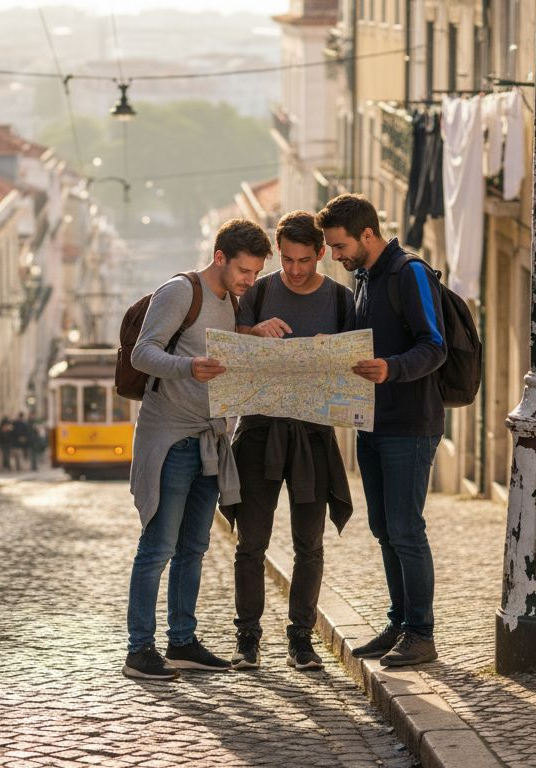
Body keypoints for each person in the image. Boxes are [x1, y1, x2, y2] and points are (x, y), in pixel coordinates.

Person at [123, 218, 270, 681]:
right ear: (220, 257)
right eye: (245, 271)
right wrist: (188, 367)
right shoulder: (180, 292)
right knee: (158, 547)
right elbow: (142, 354)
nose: (250, 281)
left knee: (195, 547)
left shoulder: (233, 302)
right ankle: (139, 650)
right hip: (171, 439)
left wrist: (251, 336)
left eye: (255, 273)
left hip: (211, 441)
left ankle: (182, 641)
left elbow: (221, 351)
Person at [316, 193, 447, 667]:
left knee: (407, 530)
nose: (336, 256)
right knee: (384, 528)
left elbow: (434, 346)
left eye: (339, 246)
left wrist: (390, 369)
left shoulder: (409, 272)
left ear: (367, 234)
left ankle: (422, 634)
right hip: (371, 423)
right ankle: (398, 623)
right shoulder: (366, 279)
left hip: (410, 426)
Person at [223, 211, 355, 673]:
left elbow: (356, 363)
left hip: (314, 435)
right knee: (250, 543)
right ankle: (247, 640)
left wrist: (332, 350)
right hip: (259, 432)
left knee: (309, 544)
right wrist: (253, 333)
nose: (295, 269)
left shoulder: (341, 299)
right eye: (287, 260)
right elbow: (228, 344)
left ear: (322, 254)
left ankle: (301, 640)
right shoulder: (257, 292)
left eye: (305, 259)